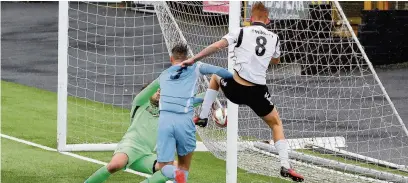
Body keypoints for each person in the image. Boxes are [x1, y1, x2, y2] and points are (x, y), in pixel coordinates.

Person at [180, 2, 304, 182]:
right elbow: (276, 60)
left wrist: (194, 59)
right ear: (268, 20)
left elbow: (217, 46)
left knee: (215, 76)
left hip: (236, 89)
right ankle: (285, 165)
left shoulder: (241, 31)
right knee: (276, 124)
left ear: (250, 18)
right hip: (258, 93)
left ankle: (203, 117)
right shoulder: (274, 38)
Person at [143, 43, 232, 183]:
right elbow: (223, 73)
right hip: (184, 122)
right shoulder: (196, 67)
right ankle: (180, 176)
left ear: (171, 58)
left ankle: (176, 175)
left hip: (165, 121)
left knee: (164, 167)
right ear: (188, 58)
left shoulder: (163, 75)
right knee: (184, 166)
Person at [84, 80, 205, 183]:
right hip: (129, 146)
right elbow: (152, 87)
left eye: (161, 91)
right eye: (156, 90)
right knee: (116, 165)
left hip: (145, 154)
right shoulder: (140, 102)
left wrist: (215, 87)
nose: (158, 92)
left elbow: (194, 100)